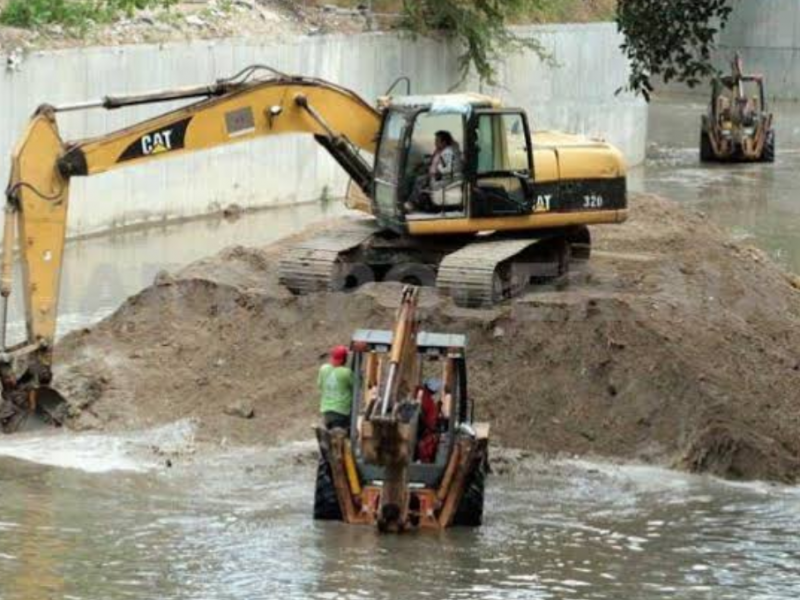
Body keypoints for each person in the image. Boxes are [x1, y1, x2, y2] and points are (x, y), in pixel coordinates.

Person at [407, 131, 462, 213]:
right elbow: (437, 161)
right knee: (416, 177)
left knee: (419, 180)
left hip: (444, 179)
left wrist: (433, 172)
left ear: (444, 142)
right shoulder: (442, 151)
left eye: (437, 141)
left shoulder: (448, 153)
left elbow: (446, 169)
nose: (435, 143)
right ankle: (414, 201)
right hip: (439, 176)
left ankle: (412, 203)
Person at [318, 345, 354, 432]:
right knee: (342, 438)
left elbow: (319, 385)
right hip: (341, 412)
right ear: (343, 359)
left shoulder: (323, 369)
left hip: (326, 411)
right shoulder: (346, 372)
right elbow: (356, 386)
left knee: (331, 437)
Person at [416, 377, 442, 463]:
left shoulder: (421, 395)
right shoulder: (428, 401)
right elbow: (429, 421)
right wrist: (433, 429)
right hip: (425, 430)